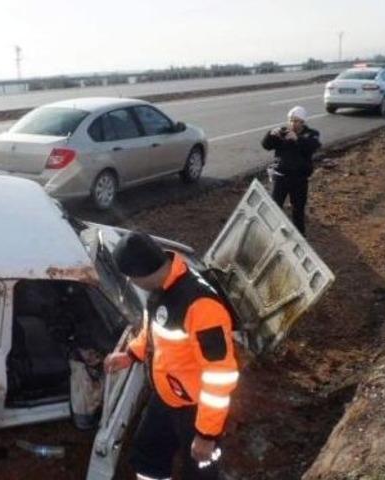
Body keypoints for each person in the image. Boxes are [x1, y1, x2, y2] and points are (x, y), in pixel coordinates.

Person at [104, 232, 239, 480]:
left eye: (130, 279)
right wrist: (131, 354)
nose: (131, 283)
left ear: (139, 276)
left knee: (200, 472)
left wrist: (206, 435)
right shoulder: (162, 286)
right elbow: (155, 329)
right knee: (147, 457)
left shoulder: (201, 306)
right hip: (166, 396)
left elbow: (220, 376)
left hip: (196, 410)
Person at [261, 105, 321, 234]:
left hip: (299, 179)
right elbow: (266, 145)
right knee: (275, 207)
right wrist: (271, 135)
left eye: (297, 121)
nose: (294, 124)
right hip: (281, 177)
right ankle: (272, 234)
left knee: (298, 210)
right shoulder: (283, 133)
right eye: (292, 120)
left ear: (303, 122)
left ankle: (300, 235)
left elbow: (313, 147)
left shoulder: (311, 134)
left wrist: (297, 139)